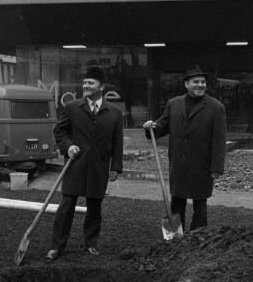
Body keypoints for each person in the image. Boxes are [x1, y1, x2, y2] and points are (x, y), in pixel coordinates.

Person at [46, 66, 123, 260]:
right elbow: (60, 132)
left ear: (102, 86)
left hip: (99, 166)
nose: (86, 86)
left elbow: (117, 142)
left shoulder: (114, 112)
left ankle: (90, 244)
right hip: (75, 165)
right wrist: (68, 146)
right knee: (66, 206)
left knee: (94, 208)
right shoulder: (72, 108)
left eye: (91, 83)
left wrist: (116, 166)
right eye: (85, 83)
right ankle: (57, 247)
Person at [143, 65, 227, 231]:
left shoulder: (216, 107)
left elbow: (220, 140)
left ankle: (198, 238)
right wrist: (151, 127)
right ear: (186, 84)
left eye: (203, 82)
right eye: (196, 81)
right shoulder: (174, 104)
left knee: (200, 206)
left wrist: (216, 167)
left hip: (201, 165)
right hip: (179, 164)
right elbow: (162, 126)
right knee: (176, 203)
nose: (200, 85)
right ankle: (174, 237)